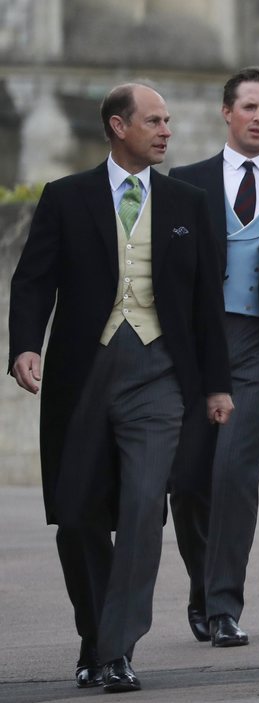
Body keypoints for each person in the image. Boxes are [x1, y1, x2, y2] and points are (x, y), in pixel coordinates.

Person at [7, 83, 233, 693]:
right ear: (117, 126)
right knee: (78, 516)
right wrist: (26, 344)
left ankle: (116, 649)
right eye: (154, 121)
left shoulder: (189, 203)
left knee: (140, 510)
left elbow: (207, 302)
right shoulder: (65, 198)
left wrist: (216, 385)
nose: (166, 131)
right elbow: (32, 282)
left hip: (160, 376)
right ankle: (94, 637)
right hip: (83, 375)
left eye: (168, 121)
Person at [167, 66, 259, 648]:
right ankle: (203, 590)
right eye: (250, 107)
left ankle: (225, 604)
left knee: (234, 471)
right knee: (187, 481)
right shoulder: (184, 182)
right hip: (198, 348)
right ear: (226, 113)